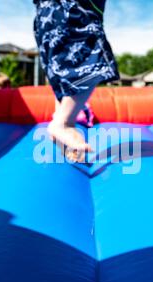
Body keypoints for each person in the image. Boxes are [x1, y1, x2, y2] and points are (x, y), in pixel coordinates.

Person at [33, 0, 119, 162]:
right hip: (73, 8)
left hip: (45, 15)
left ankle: (65, 126)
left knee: (62, 73)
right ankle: (62, 123)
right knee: (93, 60)